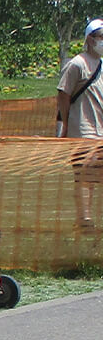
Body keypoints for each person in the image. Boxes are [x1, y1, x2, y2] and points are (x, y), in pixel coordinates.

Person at [57, 18, 103, 232]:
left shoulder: (101, 65)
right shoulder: (77, 63)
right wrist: (65, 123)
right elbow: (63, 94)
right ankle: (83, 219)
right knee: (83, 176)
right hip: (81, 130)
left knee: (93, 176)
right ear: (90, 38)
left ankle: (87, 219)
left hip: (99, 130)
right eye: (101, 36)